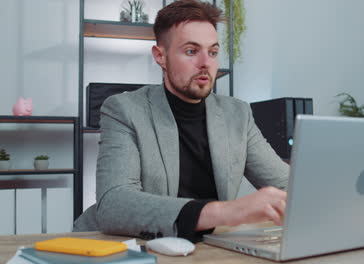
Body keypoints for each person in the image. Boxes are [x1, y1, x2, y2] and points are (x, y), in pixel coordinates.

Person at [73, 0, 289, 242]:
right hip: (120, 246)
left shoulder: (237, 113)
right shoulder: (123, 109)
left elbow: (286, 184)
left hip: (202, 247)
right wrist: (227, 212)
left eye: (213, 52)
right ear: (160, 57)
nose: (206, 63)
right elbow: (114, 204)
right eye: (191, 51)